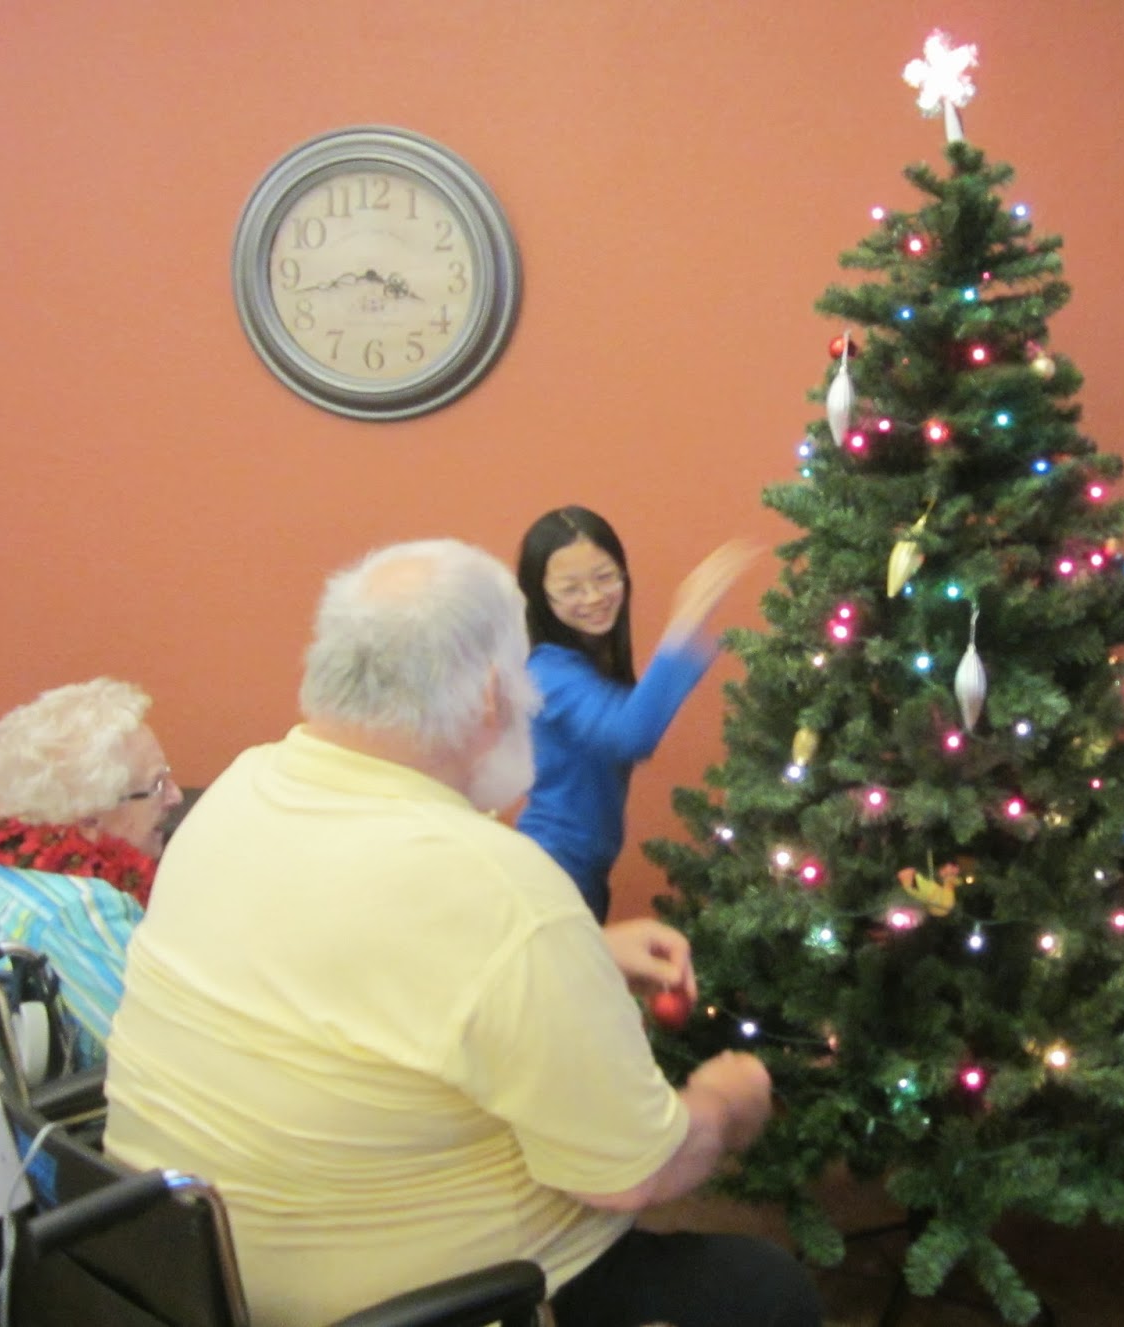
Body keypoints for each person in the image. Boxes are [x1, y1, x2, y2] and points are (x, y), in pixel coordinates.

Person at [102, 539, 822, 1327]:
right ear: (489, 693)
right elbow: (638, 1175)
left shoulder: (239, 790)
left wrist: (577, 953)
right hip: (403, 1304)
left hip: (176, 1269)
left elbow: (362, 965)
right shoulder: (497, 886)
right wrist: (725, 1097)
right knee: (761, 1285)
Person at [0, 676, 181, 1068]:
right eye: (157, 785)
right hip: (61, 1124)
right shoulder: (76, 911)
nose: (175, 796)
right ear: (91, 813)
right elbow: (167, 1058)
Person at [515, 506, 755, 921]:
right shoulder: (547, 673)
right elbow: (631, 734)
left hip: (579, 868)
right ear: (540, 595)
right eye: (570, 587)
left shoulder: (581, 663)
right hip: (553, 872)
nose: (593, 597)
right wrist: (684, 626)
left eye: (605, 577)